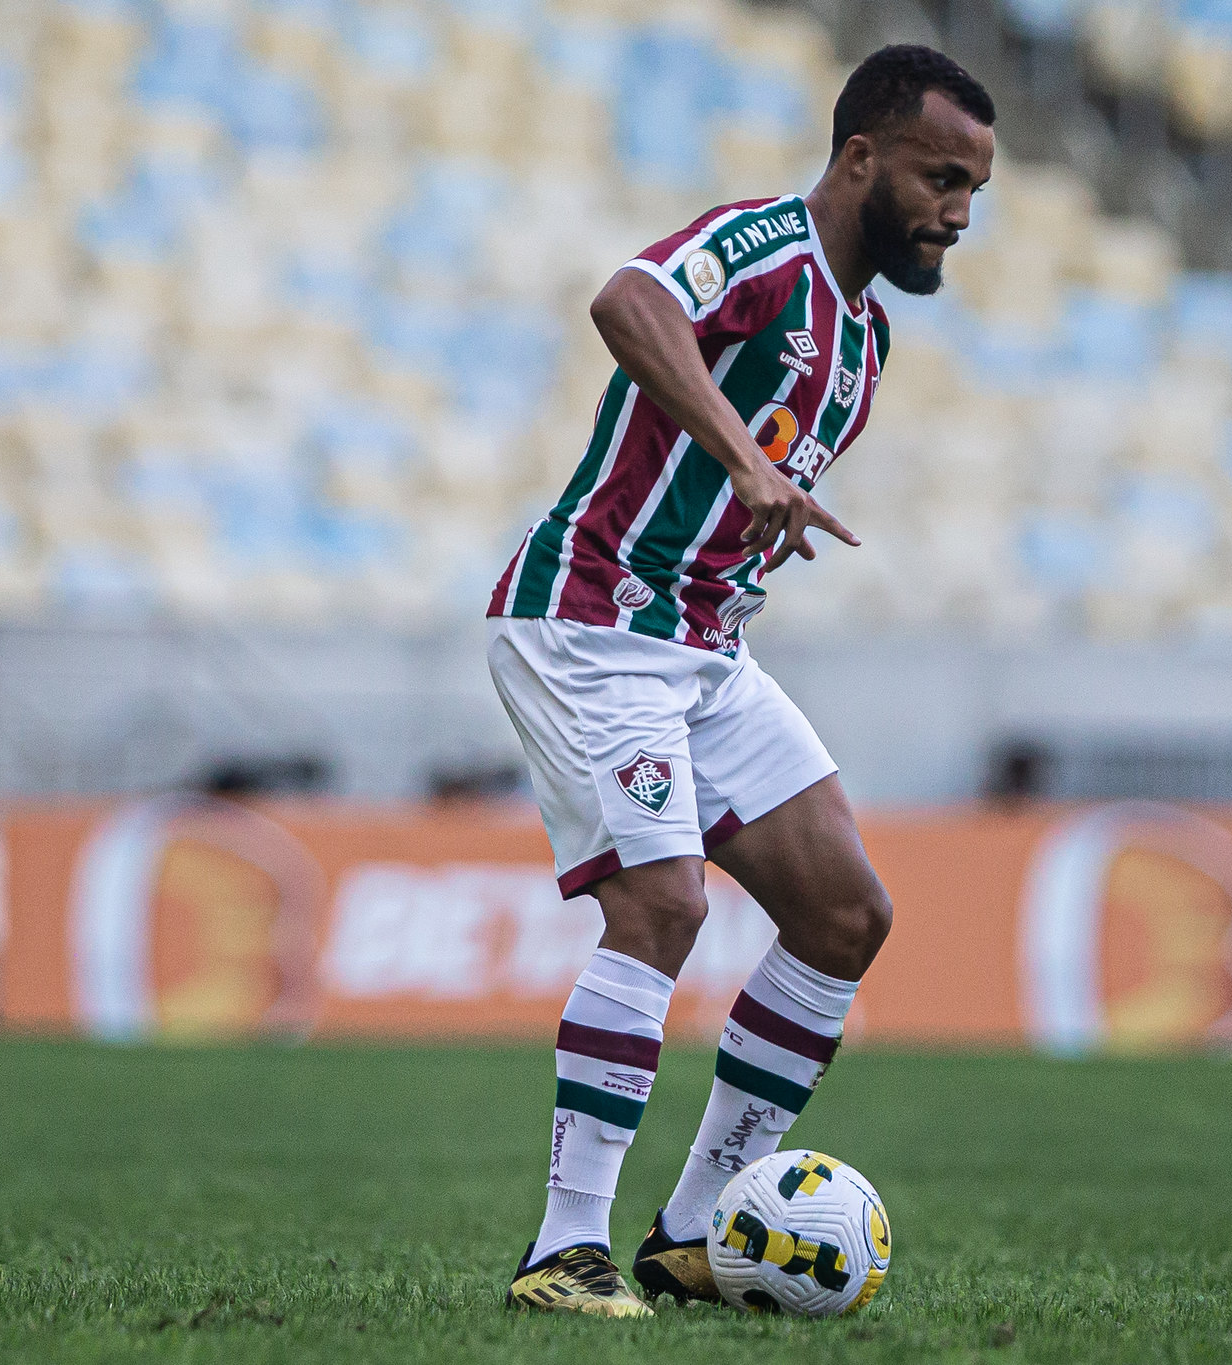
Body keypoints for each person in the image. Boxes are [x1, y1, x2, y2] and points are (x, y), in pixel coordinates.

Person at [488, 45, 996, 1319]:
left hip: (705, 650)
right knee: (662, 907)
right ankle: (562, 1248)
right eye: (941, 178)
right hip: (593, 618)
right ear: (861, 157)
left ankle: (696, 1226)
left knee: (843, 916)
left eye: (975, 192)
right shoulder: (762, 249)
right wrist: (748, 466)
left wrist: (754, 500)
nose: (957, 214)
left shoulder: (867, 334)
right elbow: (625, 302)